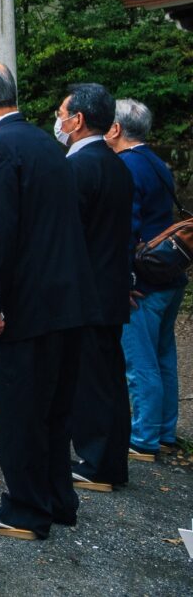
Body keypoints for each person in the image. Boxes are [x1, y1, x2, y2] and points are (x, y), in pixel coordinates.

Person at [0, 61, 90, 541]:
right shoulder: (47, 144)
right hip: (69, 295)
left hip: (28, 302)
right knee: (56, 409)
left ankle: (27, 507)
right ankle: (58, 497)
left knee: (19, 410)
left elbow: (2, 235)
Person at [58, 84, 134, 492]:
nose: (59, 121)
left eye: (62, 113)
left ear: (78, 120)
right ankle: (108, 457)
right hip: (110, 283)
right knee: (108, 376)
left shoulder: (79, 168)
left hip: (86, 290)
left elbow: (69, 235)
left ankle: (98, 460)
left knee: (91, 379)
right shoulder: (116, 164)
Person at [105, 98, 187, 460]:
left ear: (116, 129)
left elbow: (127, 228)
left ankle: (144, 437)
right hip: (170, 272)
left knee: (140, 362)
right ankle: (165, 430)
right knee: (164, 354)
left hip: (144, 279)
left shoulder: (125, 167)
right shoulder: (156, 162)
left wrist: (124, 280)